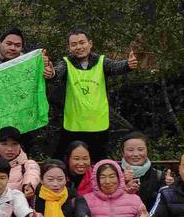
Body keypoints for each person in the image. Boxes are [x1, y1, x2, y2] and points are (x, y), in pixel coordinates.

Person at [49, 28, 139, 160]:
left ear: (90, 43)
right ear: (69, 47)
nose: (78, 47)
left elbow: (115, 66)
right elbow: (56, 73)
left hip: (99, 125)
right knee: (68, 161)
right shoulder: (66, 63)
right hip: (74, 125)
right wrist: (51, 73)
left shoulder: (101, 61)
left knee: (99, 162)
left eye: (82, 42)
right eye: (74, 44)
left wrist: (128, 64)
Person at [0, 126, 41, 199]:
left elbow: (32, 173)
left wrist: (29, 185)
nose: (9, 149)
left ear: (20, 146)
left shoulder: (28, 164)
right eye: (4, 144)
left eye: (14, 144)